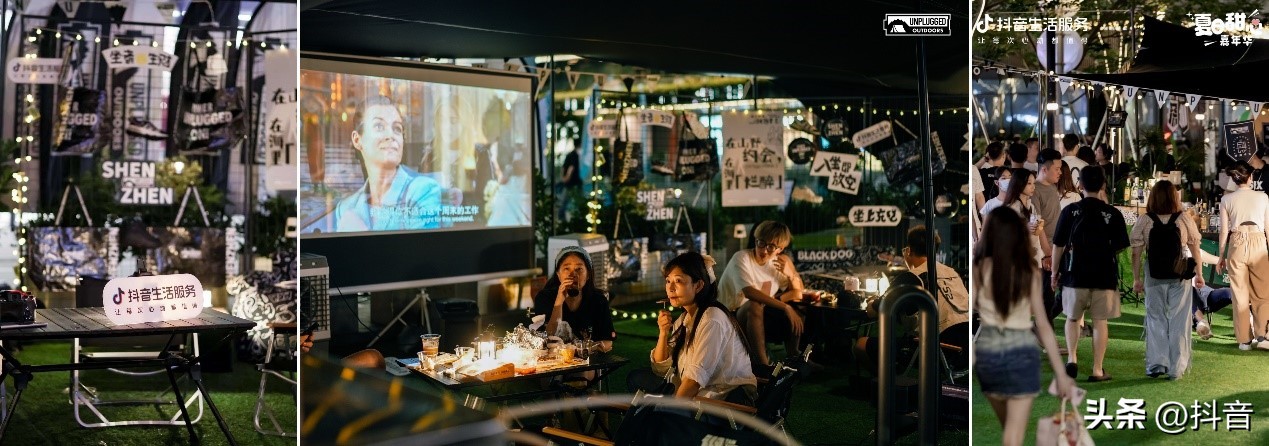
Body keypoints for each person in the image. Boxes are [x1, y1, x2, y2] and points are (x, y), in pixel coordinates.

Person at [974, 207, 1074, 446]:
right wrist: (1061, 373)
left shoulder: (978, 268)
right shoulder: (1028, 270)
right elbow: (1042, 323)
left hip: (987, 352)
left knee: (1008, 429)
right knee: (1013, 435)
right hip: (1020, 350)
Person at [627, 252, 758, 404]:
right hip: (697, 393)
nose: (670, 288)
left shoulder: (712, 318)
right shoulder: (685, 318)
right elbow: (661, 368)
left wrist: (669, 410)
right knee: (636, 378)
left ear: (698, 285)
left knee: (650, 411)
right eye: (668, 281)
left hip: (721, 400)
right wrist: (663, 333)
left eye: (678, 281)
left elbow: (694, 381)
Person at [854, 225, 970, 374]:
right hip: (967, 350)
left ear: (908, 250)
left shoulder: (912, 277)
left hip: (938, 351)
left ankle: (888, 387)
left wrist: (872, 302)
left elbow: (875, 311)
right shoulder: (952, 272)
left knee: (861, 344)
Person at [1051, 167, 1130, 382]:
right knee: (1100, 321)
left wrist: (1054, 273)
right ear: (1103, 185)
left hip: (1075, 274)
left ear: (1080, 185)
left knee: (1073, 318)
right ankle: (1097, 369)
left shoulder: (1070, 211)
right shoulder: (1112, 213)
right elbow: (1121, 245)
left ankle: (1073, 359)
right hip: (1104, 276)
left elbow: (1058, 245)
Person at [332, 95, 443, 231]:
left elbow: (424, 250)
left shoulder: (424, 191)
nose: (390, 135)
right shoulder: (345, 208)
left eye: (397, 128)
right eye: (379, 126)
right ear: (357, 140)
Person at [1130, 180, 1203, 379]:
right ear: (1174, 197)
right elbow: (1195, 246)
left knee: (1155, 318)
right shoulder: (1184, 219)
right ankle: (1177, 367)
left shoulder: (1145, 220)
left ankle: (1156, 364)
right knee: (1179, 319)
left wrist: (1137, 278)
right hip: (1179, 275)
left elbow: (1136, 252)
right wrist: (1200, 275)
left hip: (1153, 276)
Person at [717, 221, 805, 365]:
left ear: (780, 249)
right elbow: (749, 292)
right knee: (755, 304)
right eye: (761, 243)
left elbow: (798, 293)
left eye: (771, 247)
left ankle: (794, 355)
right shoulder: (741, 258)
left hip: (760, 314)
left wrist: (790, 274)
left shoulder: (779, 262)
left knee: (799, 308)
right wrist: (785, 307)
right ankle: (763, 366)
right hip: (730, 316)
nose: (764, 250)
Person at [1216, 163, 1269, 351]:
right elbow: (1268, 227)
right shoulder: (1263, 197)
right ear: (1250, 177)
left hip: (1236, 243)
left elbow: (1223, 231)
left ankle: (1244, 340)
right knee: (1262, 294)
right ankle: (1262, 336)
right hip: (1258, 241)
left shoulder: (1226, 200)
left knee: (1239, 294)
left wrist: (1221, 255)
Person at [532, 246, 616, 352]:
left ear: (588, 275)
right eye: (567, 268)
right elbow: (549, 338)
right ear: (558, 274)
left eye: (579, 269)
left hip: (589, 362)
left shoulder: (598, 300)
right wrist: (559, 301)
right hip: (554, 362)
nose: (573, 275)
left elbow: (607, 342)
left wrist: (579, 350)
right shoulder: (544, 298)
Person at [1002, 168, 1051, 268]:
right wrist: (1024, 228)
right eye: (1029, 183)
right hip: (1018, 261)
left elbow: (1040, 232)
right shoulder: (1011, 208)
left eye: (1033, 183)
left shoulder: (1030, 206)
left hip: (1033, 256)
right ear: (1019, 184)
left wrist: (1048, 254)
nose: (1033, 187)